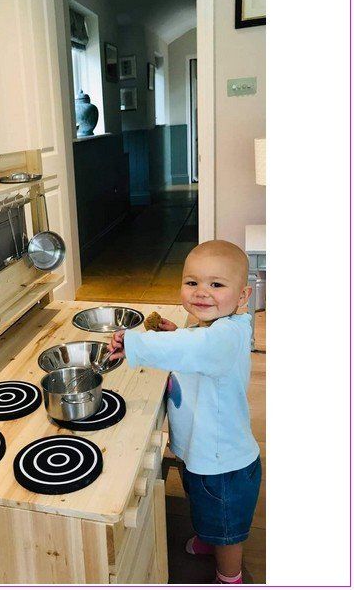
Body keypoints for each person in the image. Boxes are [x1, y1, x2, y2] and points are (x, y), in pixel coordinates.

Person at [108, 240, 261, 585]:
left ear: (243, 296)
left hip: (224, 464)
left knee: (227, 528)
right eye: (192, 282)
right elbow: (196, 346)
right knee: (203, 503)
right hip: (202, 451)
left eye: (216, 284)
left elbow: (200, 348)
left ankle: (230, 576)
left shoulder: (227, 336)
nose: (201, 292)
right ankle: (209, 536)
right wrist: (178, 332)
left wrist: (134, 343)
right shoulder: (212, 328)